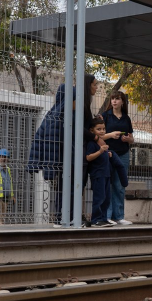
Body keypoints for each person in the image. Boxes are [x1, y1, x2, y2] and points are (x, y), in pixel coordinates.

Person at [28, 75, 97, 225]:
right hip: (71, 158)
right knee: (70, 189)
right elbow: (75, 133)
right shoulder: (66, 115)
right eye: (75, 100)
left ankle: (66, 217)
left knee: (67, 188)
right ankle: (66, 217)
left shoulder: (56, 114)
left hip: (69, 158)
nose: (77, 103)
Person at [84, 116, 128, 227]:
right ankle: (95, 219)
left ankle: (104, 218)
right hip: (98, 175)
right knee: (99, 198)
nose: (102, 131)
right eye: (99, 129)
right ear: (92, 131)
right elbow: (88, 157)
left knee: (106, 198)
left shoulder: (102, 142)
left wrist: (107, 154)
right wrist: (100, 151)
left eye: (103, 129)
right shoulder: (92, 144)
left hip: (107, 175)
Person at [103, 91, 134, 226]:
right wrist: (110, 135)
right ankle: (107, 216)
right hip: (108, 154)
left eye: (117, 99)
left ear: (122, 102)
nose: (114, 101)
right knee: (108, 184)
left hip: (123, 154)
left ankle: (119, 216)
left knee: (120, 185)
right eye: (112, 99)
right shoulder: (105, 116)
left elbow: (132, 139)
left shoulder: (126, 119)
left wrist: (128, 139)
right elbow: (98, 136)